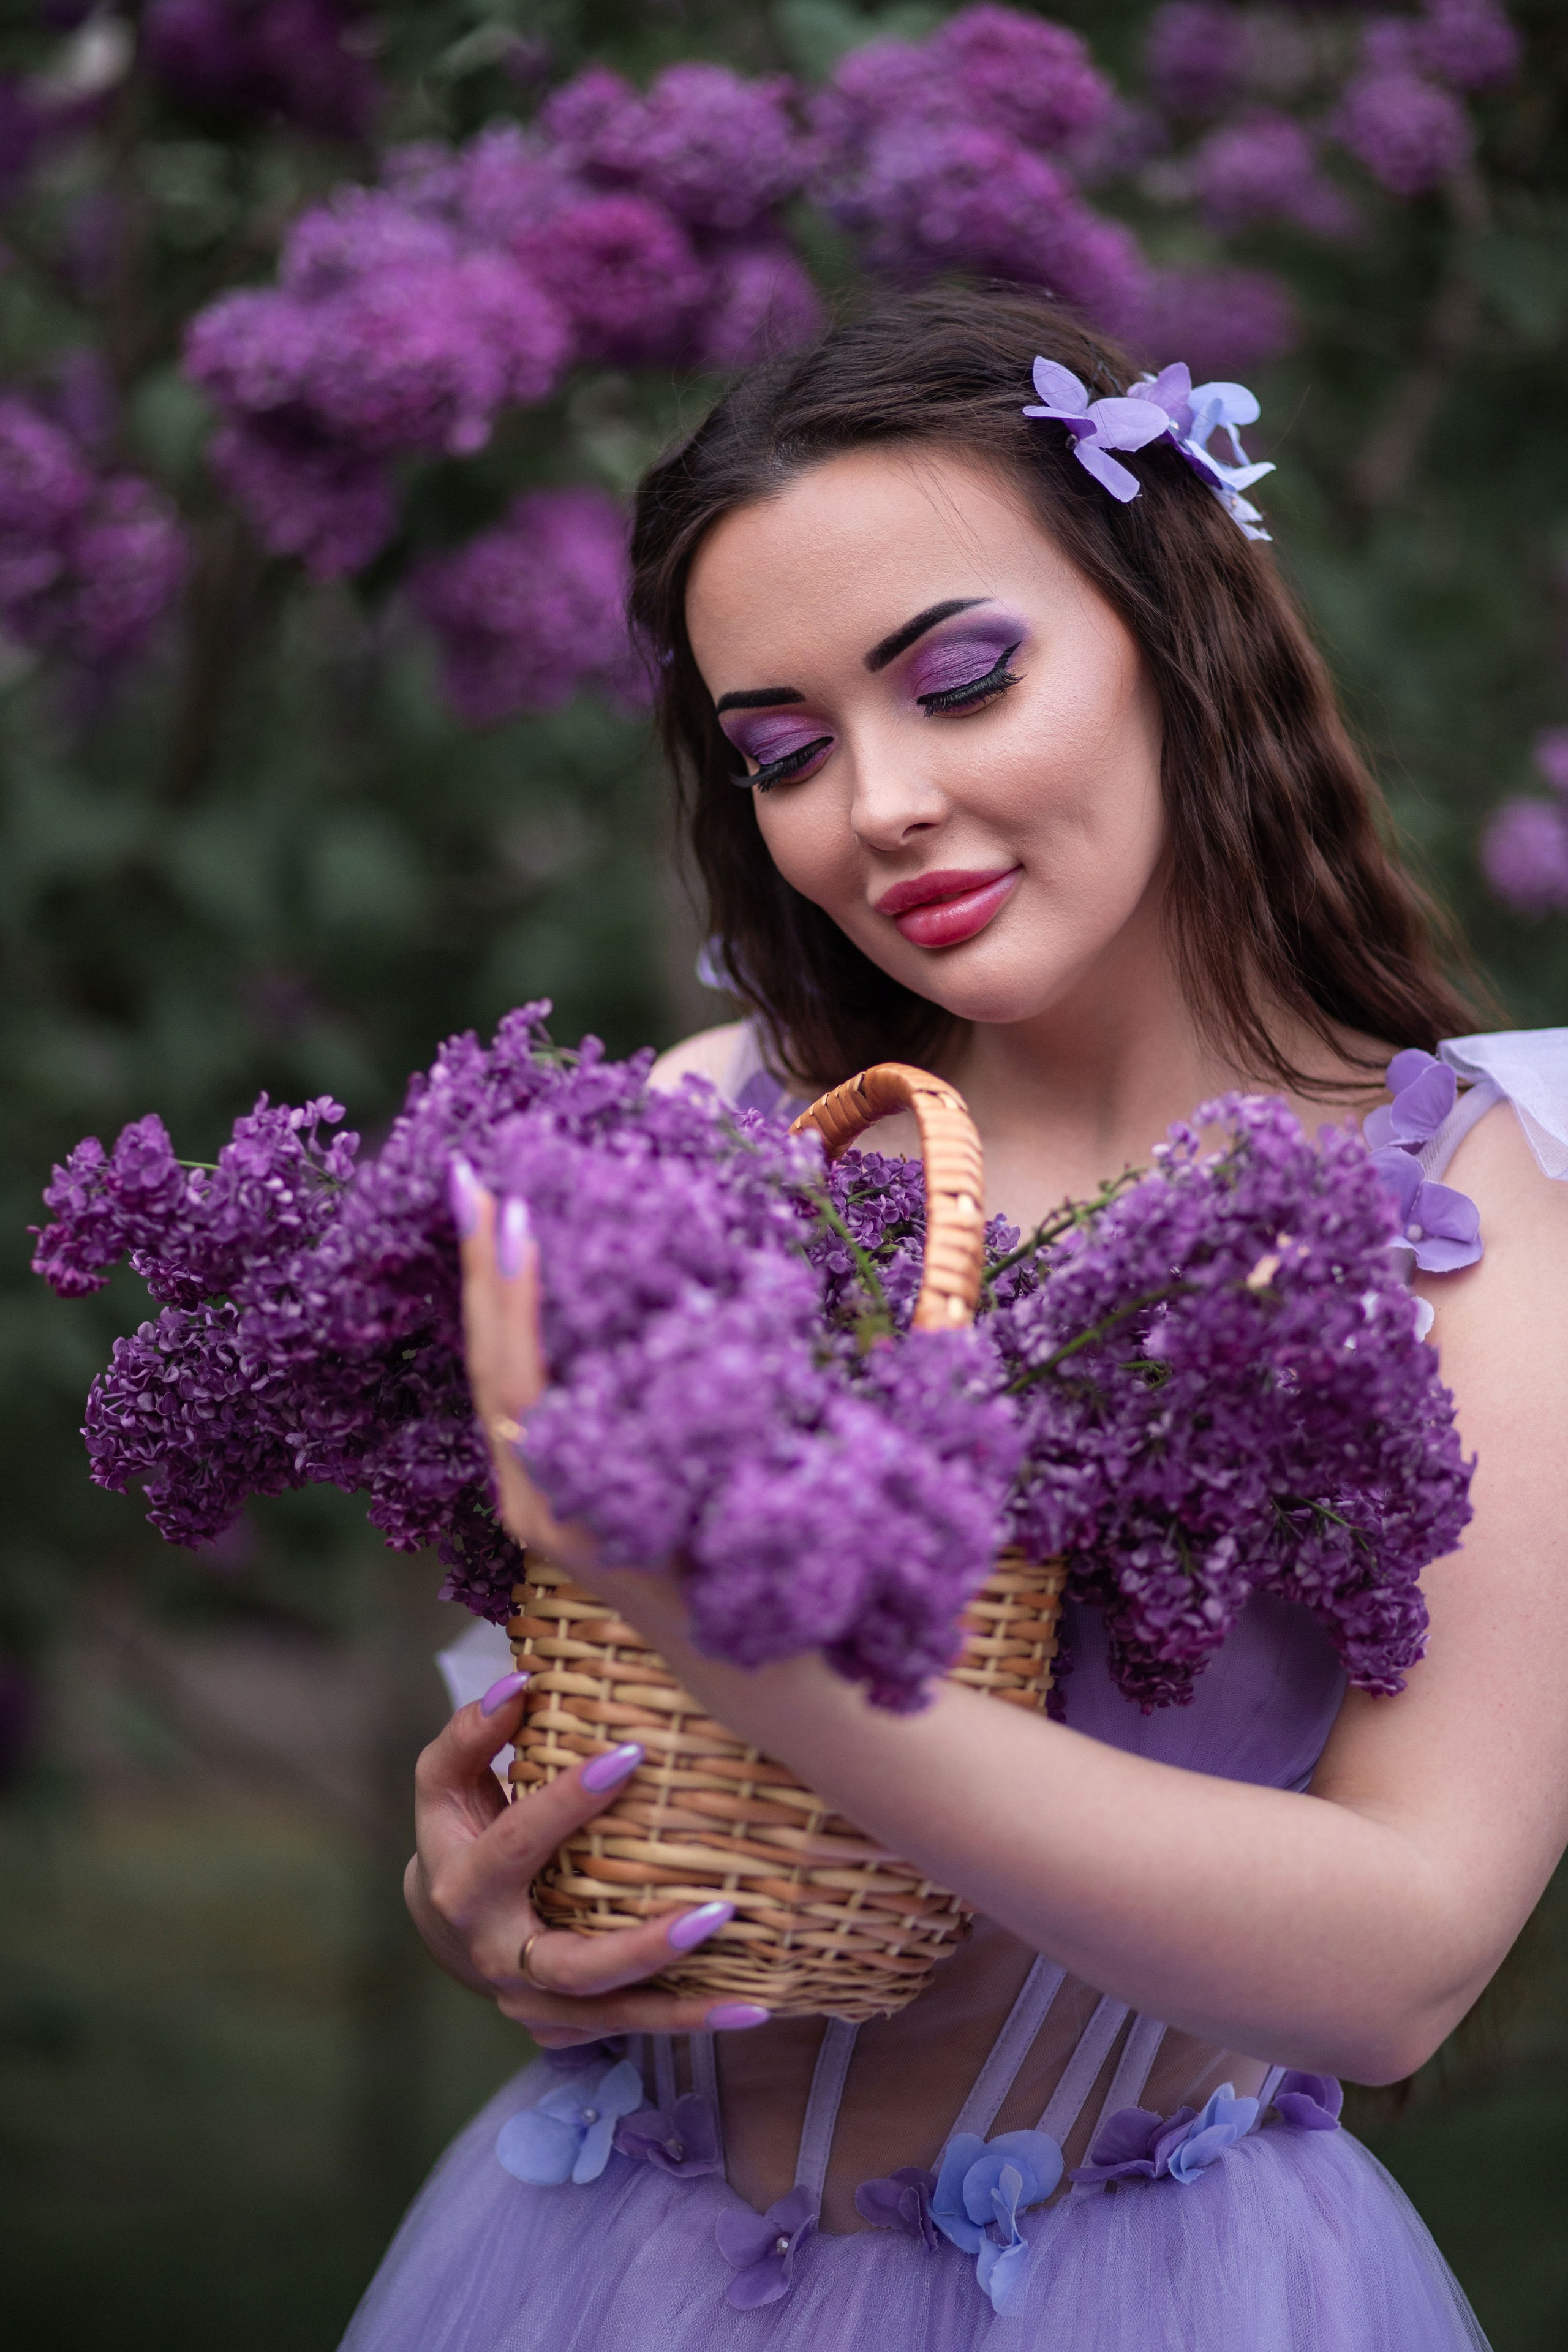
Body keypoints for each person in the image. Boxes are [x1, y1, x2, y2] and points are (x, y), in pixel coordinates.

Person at [340, 285, 1568, 2350]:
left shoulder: (1468, 1206)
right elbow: (582, 1735)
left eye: (963, 680)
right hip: (592, 2268)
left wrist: (781, 1656)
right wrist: (487, 1890)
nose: (877, 805)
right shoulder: (716, 1131)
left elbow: (1408, 1953)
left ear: (1176, 633)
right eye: (787, 752)